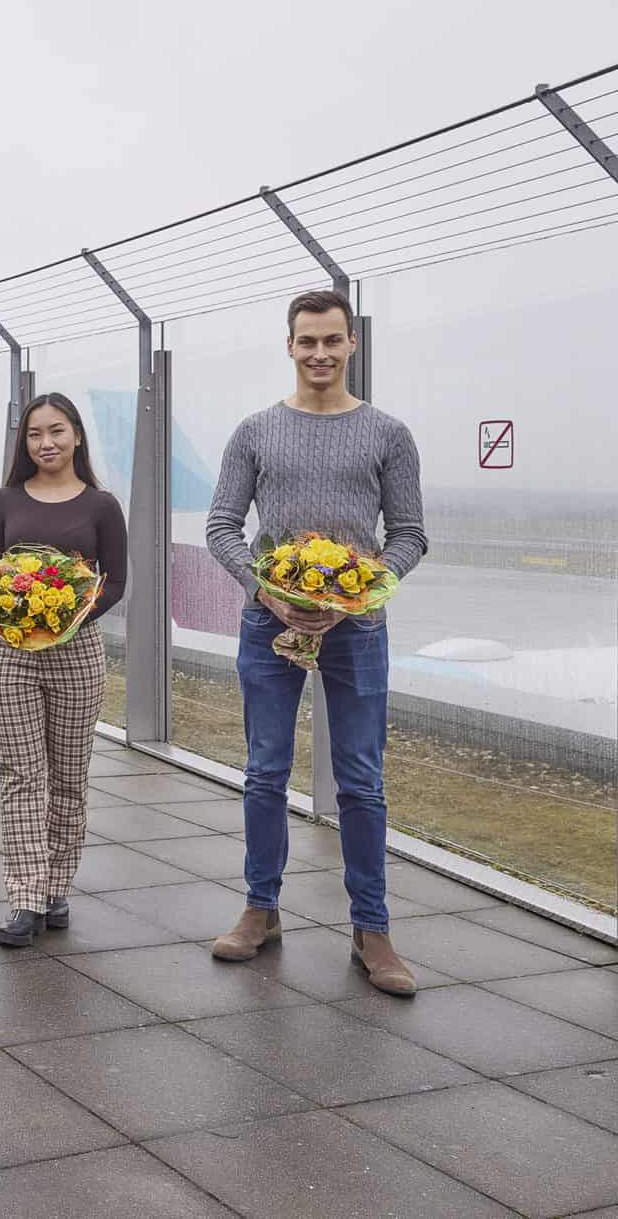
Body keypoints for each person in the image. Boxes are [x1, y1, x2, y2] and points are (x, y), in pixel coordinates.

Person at [205, 289, 427, 996]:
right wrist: (264, 590)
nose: (320, 353)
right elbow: (222, 526)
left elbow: (410, 535)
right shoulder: (255, 431)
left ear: (352, 343)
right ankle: (259, 910)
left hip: (357, 629)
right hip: (270, 622)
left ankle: (372, 929)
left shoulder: (390, 434)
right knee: (266, 771)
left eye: (333, 340)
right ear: (290, 345)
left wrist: (358, 592)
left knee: (360, 780)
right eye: (308, 341)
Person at [0, 393, 127, 946]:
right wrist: (18, 621)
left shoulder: (103, 506)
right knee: (20, 775)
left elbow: (116, 583)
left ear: (77, 436)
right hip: (12, 652)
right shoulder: (4, 500)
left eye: (57, 431)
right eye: (35, 435)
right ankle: (25, 896)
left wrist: (65, 619)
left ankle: (58, 885)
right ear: (25, 443)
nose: (47, 443)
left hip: (78, 652)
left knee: (69, 776)